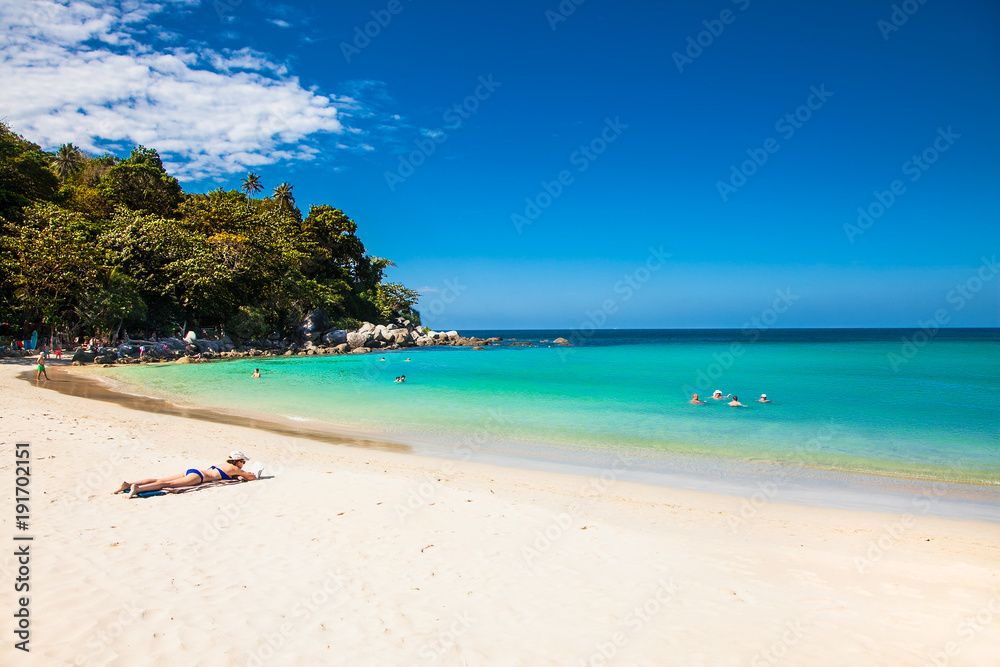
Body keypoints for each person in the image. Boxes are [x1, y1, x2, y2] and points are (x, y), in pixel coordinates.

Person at [115, 451, 257, 498]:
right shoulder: (235, 469)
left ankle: (128, 484)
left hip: (193, 471)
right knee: (166, 485)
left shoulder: (223, 464)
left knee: (160, 479)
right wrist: (254, 473)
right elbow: (251, 477)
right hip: (198, 477)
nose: (243, 465)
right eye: (243, 462)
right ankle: (137, 489)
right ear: (239, 461)